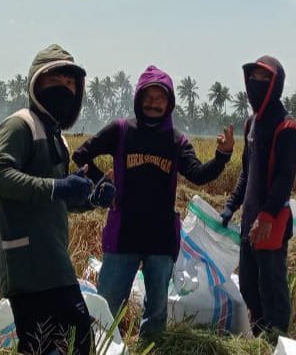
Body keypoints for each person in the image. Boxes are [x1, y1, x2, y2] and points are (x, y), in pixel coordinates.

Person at [72, 65, 234, 339]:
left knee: (157, 311)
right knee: (107, 305)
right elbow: (81, 155)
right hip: (123, 233)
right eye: (148, 96)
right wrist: (104, 183)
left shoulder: (176, 141)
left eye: (160, 98)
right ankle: (100, 351)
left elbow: (198, 175)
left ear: (169, 103)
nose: (153, 103)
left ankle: (152, 350)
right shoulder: (121, 130)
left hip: (160, 237)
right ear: (138, 98)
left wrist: (222, 156)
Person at [0, 44, 96, 355]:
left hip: (52, 256)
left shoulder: (55, 136)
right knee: (76, 331)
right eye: (55, 79)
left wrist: (92, 198)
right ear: (36, 82)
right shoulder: (20, 126)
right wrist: (58, 186)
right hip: (27, 261)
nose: (64, 87)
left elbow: (56, 198)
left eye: (70, 82)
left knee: (40, 343)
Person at [219, 56, 296, 339]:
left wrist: (266, 215)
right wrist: (231, 205)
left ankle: (276, 341)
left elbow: (285, 178)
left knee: (272, 285)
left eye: (265, 78)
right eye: (253, 77)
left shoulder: (286, 127)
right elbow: (247, 171)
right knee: (249, 285)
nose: (257, 83)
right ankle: (259, 337)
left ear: (276, 84)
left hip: (272, 220)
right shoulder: (251, 124)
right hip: (249, 218)